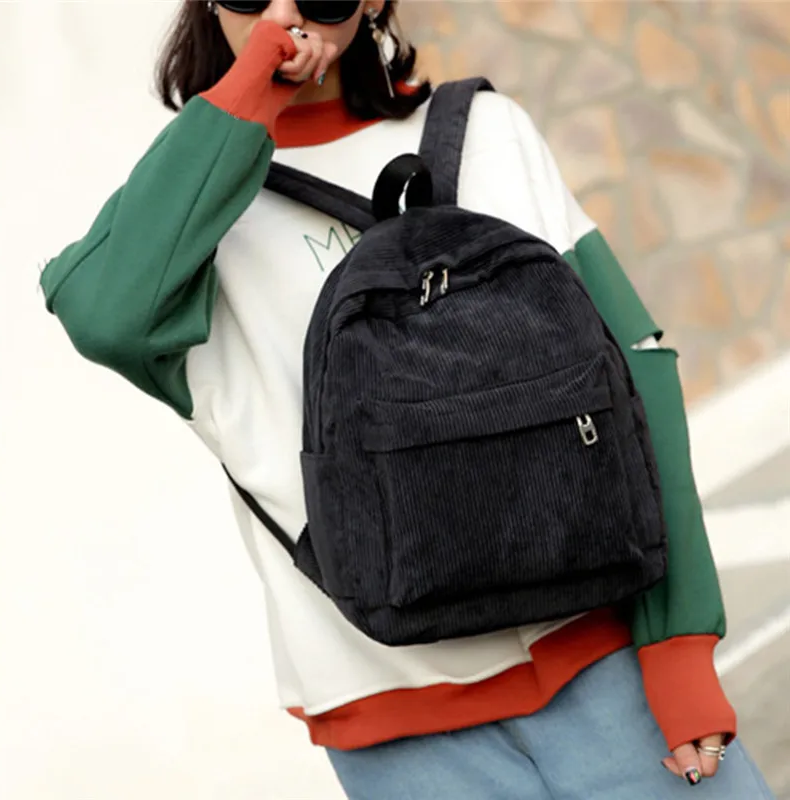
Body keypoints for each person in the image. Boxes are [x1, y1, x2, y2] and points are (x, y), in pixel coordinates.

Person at [39, 2, 775, 798]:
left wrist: (679, 644)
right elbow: (104, 316)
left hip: (603, 656)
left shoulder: (485, 131)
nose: (285, 13)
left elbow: (635, 369)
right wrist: (253, 87)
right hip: (396, 726)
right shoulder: (181, 226)